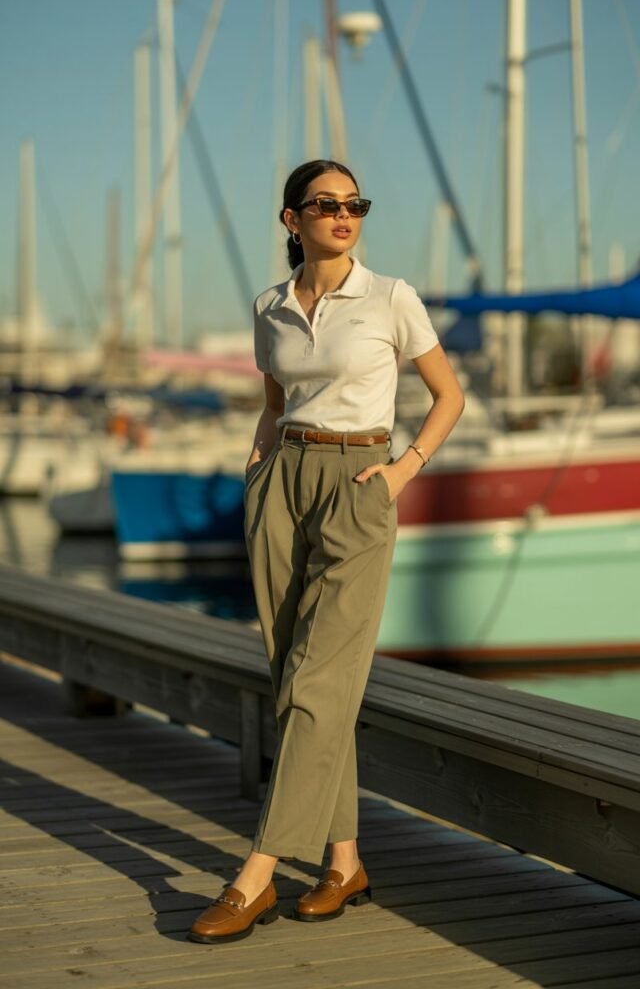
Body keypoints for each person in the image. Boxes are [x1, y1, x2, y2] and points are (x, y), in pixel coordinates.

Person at [188, 159, 464, 945]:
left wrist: (403, 472)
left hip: (360, 480)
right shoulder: (270, 307)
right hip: (283, 485)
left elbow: (450, 396)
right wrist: (258, 460)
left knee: (320, 679)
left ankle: (257, 874)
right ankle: (344, 862)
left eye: (355, 205)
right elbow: (276, 399)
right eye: (326, 205)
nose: (344, 216)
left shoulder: (391, 298)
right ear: (292, 221)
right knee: (294, 678)